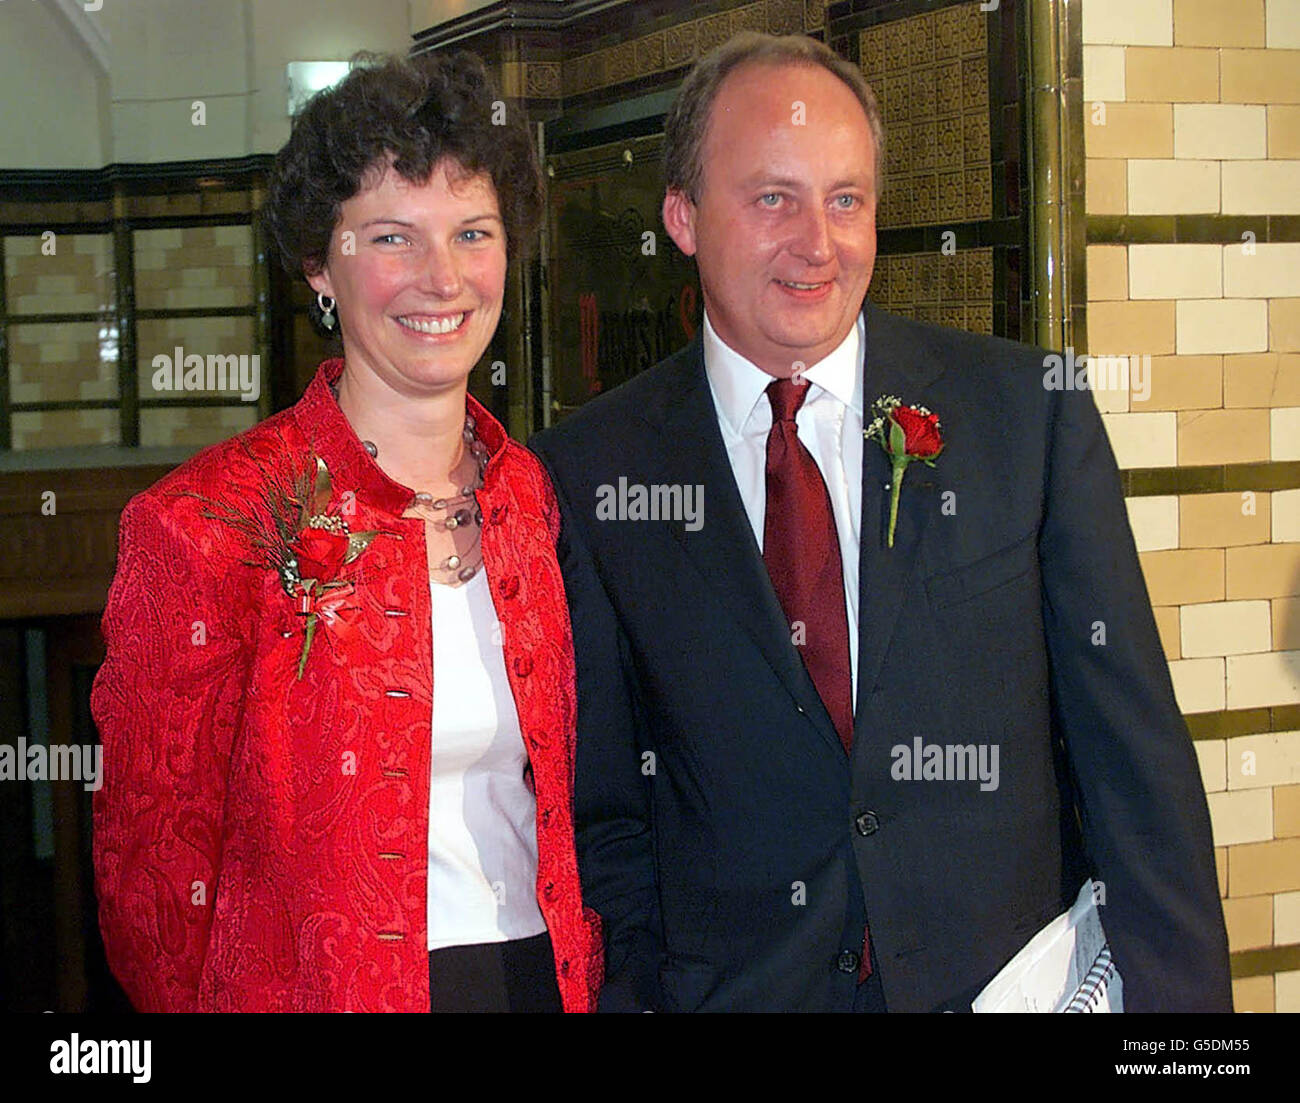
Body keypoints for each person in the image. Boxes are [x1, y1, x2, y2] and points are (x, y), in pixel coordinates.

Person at [530, 31, 1231, 1012]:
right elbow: (606, 817)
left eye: (845, 198)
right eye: (772, 197)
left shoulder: (1022, 413)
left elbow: (1136, 773)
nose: (817, 242)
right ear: (683, 217)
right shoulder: (592, 467)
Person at [91, 50, 602, 1013]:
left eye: (473, 232)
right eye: (393, 238)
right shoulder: (207, 524)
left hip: (538, 978)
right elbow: (152, 885)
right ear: (321, 265)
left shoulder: (526, 494)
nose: (442, 276)